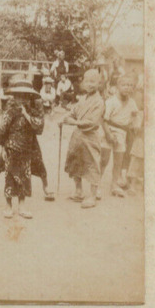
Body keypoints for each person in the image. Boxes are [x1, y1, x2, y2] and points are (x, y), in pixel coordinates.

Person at [0, 76, 45, 219]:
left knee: (25, 177)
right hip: (11, 148)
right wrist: (2, 148)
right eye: (18, 96)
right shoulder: (10, 111)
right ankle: (8, 206)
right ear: (14, 97)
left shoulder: (32, 112)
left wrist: (26, 115)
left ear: (29, 97)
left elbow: (38, 127)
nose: (22, 99)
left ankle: (22, 206)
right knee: (9, 177)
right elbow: (3, 130)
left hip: (27, 148)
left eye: (25, 96)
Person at [59, 69, 108, 209]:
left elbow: (93, 122)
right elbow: (74, 111)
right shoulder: (83, 98)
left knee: (92, 164)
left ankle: (92, 195)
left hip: (90, 136)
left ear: (99, 83)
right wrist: (65, 118)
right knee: (75, 161)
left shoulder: (99, 101)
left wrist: (74, 122)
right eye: (87, 81)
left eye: (93, 81)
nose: (89, 84)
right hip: (78, 136)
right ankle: (79, 190)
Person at [102, 74, 139, 197]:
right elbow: (104, 120)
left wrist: (135, 125)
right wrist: (108, 134)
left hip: (122, 134)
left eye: (130, 85)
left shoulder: (132, 102)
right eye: (124, 85)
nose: (127, 88)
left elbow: (134, 117)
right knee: (104, 160)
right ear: (118, 86)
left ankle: (114, 184)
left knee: (118, 161)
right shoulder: (111, 101)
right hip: (109, 131)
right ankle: (96, 184)